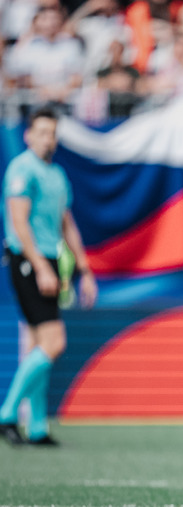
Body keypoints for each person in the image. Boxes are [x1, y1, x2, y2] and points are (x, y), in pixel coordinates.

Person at [1, 107, 97, 446]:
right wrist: (40, 265)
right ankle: (7, 413)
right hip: (29, 261)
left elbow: (66, 223)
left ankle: (37, 426)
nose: (48, 138)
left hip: (50, 261)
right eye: (42, 132)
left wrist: (84, 269)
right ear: (28, 136)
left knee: (42, 344)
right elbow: (18, 222)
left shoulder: (56, 174)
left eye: (52, 132)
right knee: (55, 343)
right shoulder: (22, 169)